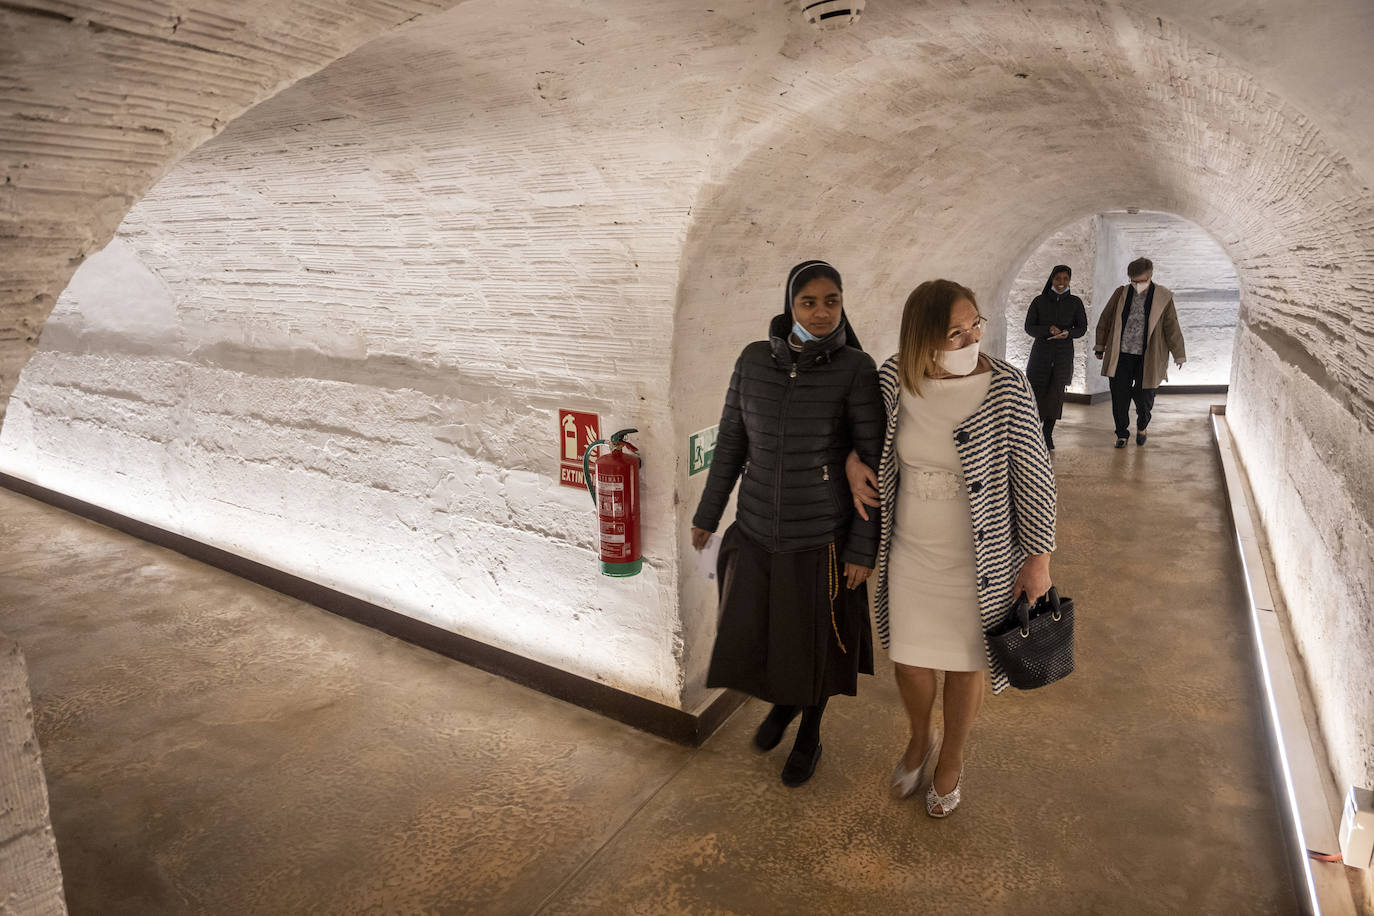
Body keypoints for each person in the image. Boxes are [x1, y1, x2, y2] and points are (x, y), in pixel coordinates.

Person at [845, 279, 1056, 817]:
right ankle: (920, 737)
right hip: (912, 548)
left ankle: (952, 758)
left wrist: (1038, 559)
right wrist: (852, 460)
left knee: (967, 664)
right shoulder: (894, 377)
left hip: (980, 559)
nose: (969, 340)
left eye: (974, 326)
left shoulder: (1007, 386)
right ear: (922, 337)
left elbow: (1033, 475)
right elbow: (863, 433)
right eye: (954, 333)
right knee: (910, 661)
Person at [690, 259, 884, 786]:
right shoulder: (753, 361)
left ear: (843, 304)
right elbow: (732, 442)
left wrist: (863, 550)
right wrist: (709, 514)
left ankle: (809, 732)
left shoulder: (856, 369)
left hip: (820, 536)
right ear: (789, 305)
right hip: (754, 527)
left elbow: (872, 463)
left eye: (831, 302)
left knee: (815, 646)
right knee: (764, 637)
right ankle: (785, 703)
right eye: (809, 302)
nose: (821, 313)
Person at [1093, 257, 1186, 448]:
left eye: (1141, 281)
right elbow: (1106, 318)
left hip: (1149, 356)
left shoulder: (1163, 297)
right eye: (1133, 281)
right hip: (1121, 354)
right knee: (1119, 396)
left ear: (1150, 277)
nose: (1136, 285)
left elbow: (1172, 326)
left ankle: (1142, 425)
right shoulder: (1121, 293)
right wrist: (1100, 345)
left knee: (1145, 398)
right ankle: (1122, 434)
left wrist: (1179, 354)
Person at [1023, 264, 1087, 450]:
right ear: (1052, 279)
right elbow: (1029, 327)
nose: (1061, 283)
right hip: (1041, 354)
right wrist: (1047, 329)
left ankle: (1047, 433)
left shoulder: (1075, 302)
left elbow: (1082, 328)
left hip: (1063, 355)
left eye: (1065, 279)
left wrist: (1069, 332)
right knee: (1036, 392)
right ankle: (1033, 432)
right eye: (1058, 278)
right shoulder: (1039, 301)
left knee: (1056, 394)